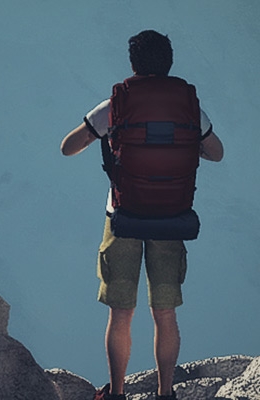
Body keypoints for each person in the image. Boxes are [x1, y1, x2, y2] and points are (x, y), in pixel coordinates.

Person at [60, 30, 225, 400]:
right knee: (165, 314)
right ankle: (166, 394)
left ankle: (116, 393)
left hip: (123, 216)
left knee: (121, 313)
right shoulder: (189, 108)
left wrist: (103, 136)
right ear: (169, 64)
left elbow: (67, 147)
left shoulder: (116, 105)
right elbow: (217, 152)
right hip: (171, 218)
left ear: (133, 64)